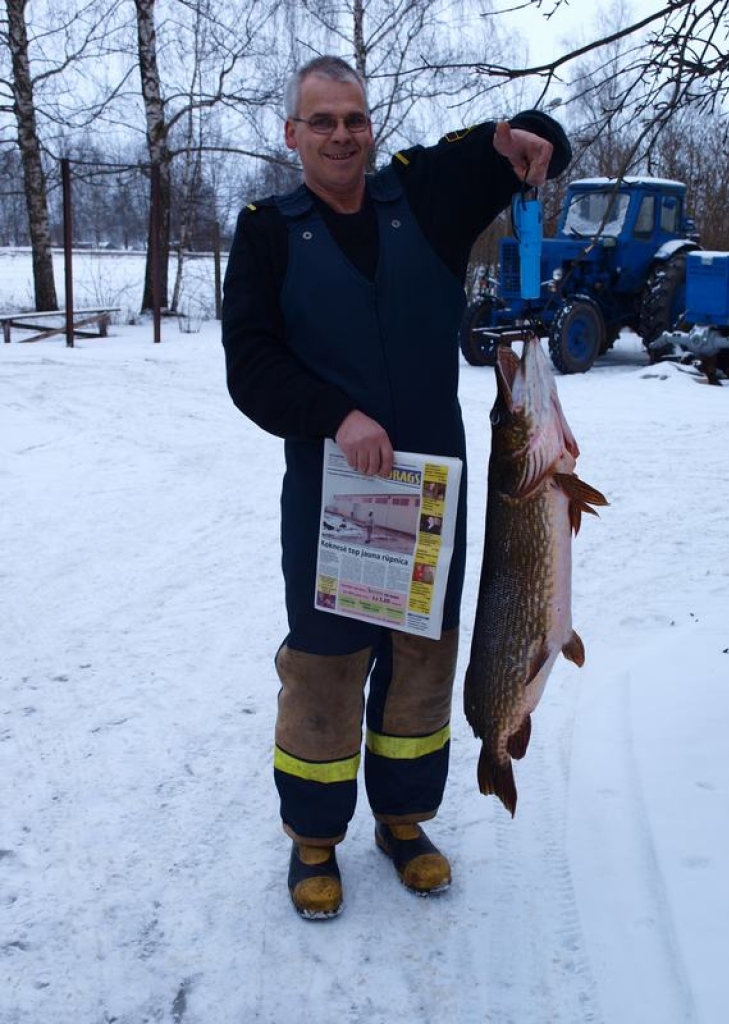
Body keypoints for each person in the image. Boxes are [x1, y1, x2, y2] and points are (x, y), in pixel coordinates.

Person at [222, 55, 571, 920]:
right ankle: (313, 838)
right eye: (322, 121)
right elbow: (251, 366)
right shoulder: (268, 229)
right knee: (325, 670)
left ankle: (404, 821)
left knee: (422, 664)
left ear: (369, 126)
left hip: (435, 496)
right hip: (331, 495)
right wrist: (334, 414)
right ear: (293, 133)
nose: (342, 134)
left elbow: (524, 144)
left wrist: (537, 142)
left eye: (354, 118)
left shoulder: (419, 193)